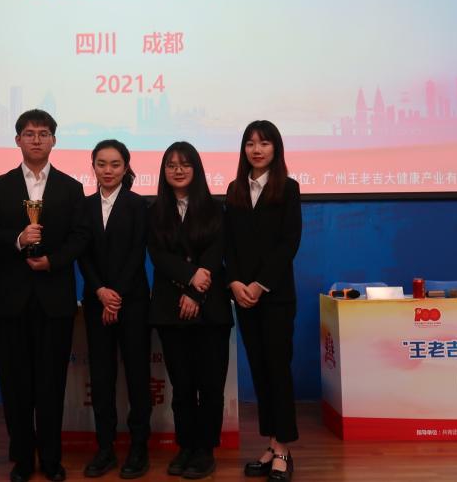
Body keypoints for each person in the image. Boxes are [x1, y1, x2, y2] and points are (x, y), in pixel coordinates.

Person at [0, 110, 84, 482]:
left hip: (54, 298)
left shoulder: (71, 188)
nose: (36, 139)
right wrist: (17, 239)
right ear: (18, 140)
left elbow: (80, 237)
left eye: (43, 133)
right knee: (15, 384)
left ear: (53, 140)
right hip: (11, 299)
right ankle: (23, 459)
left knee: (52, 383)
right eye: (29, 133)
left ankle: (52, 459)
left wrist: (52, 261)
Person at [147, 142, 233, 480]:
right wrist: (188, 278)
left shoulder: (215, 208)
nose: (178, 170)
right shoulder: (155, 211)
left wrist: (196, 293)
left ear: (196, 169)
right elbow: (158, 255)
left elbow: (215, 252)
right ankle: (185, 446)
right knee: (181, 386)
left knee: (210, 386)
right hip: (170, 309)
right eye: (171, 165)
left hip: (210, 310)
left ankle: (205, 450)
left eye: (184, 164)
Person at [224, 121, 302, 482]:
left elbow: (289, 243)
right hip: (243, 296)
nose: (257, 150)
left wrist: (260, 284)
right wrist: (235, 283)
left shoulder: (288, 188)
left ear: (276, 148)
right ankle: (271, 442)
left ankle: (283, 447)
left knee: (277, 369)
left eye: (264, 143)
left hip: (275, 296)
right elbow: (229, 243)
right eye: (250, 144)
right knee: (259, 369)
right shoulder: (235, 189)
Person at [72, 140, 151, 479]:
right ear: (93, 166)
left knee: (137, 376)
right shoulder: (84, 206)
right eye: (101, 164)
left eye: (115, 164)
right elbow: (82, 254)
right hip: (96, 302)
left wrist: (115, 295)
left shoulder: (138, 205)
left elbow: (137, 253)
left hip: (132, 303)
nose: (108, 170)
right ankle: (105, 448)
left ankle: (139, 448)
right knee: (102, 378)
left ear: (126, 167)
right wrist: (100, 292)